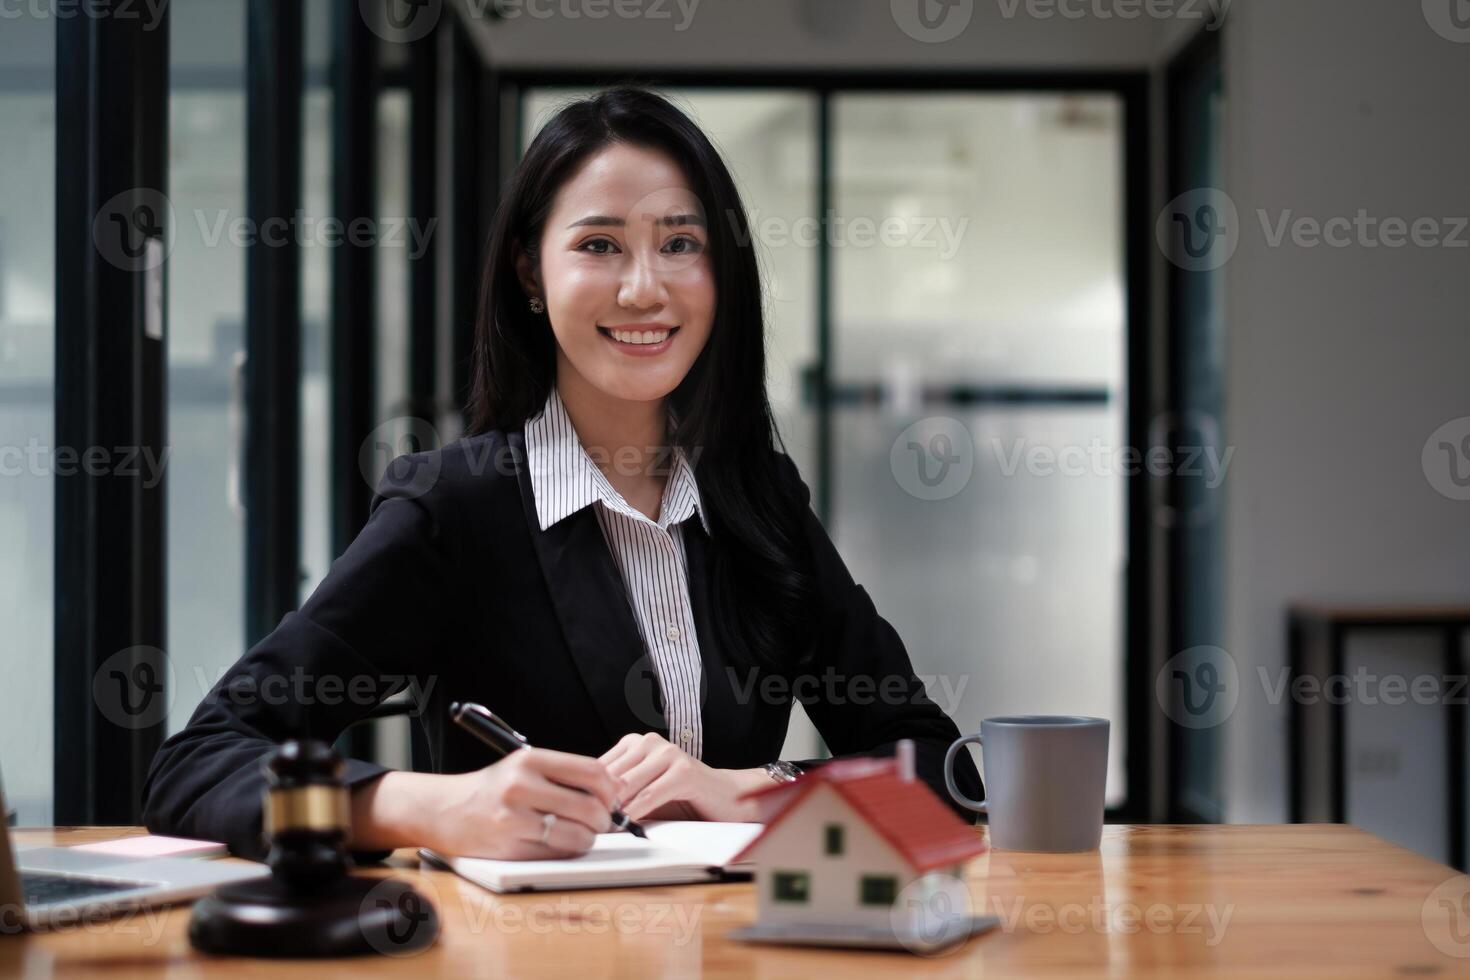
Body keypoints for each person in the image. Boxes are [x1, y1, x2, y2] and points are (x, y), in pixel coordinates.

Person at [142, 86, 983, 862]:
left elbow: (940, 768)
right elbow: (199, 765)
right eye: (599, 245)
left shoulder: (755, 495)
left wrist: (751, 792)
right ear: (530, 274)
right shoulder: (454, 508)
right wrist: (427, 806)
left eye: (680, 244)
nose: (644, 288)